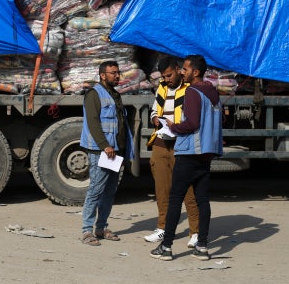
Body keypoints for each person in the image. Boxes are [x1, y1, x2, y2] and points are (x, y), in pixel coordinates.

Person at [150, 54, 223, 261]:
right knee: (202, 200)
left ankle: (166, 247)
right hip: (206, 154)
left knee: (175, 200)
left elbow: (191, 124)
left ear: (196, 72)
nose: (183, 71)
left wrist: (174, 126)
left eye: (186, 69)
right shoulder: (213, 93)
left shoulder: (192, 92)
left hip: (190, 151)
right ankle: (202, 246)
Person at [143, 56, 199, 248]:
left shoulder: (189, 89)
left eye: (169, 75)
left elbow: (192, 118)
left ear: (177, 70)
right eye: (164, 76)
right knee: (161, 188)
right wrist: (155, 119)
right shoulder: (161, 88)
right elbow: (154, 109)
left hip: (180, 143)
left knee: (187, 190)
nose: (167, 79)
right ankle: (162, 228)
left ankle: (195, 231)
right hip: (160, 141)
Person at [79, 60, 134, 246]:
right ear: (102, 75)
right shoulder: (94, 94)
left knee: (109, 192)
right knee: (96, 190)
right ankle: (87, 231)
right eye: (113, 73)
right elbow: (93, 123)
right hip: (102, 151)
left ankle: (101, 227)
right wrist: (104, 146)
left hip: (115, 151)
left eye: (118, 72)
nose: (117, 76)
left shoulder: (115, 94)